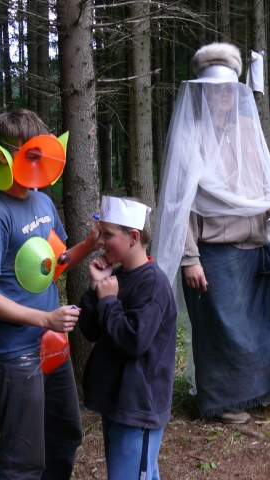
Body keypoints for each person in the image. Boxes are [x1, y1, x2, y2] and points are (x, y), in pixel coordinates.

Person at [153, 43, 270, 424]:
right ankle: (224, 401)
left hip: (255, 244)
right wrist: (189, 258)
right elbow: (179, 205)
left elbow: (262, 181)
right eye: (216, 90)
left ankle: (260, 390)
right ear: (203, 92)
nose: (223, 97)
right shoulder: (190, 134)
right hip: (213, 252)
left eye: (228, 90)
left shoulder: (247, 129)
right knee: (221, 331)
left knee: (261, 324)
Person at [0, 109, 102, 478]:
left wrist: (89, 245)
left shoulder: (41, 201)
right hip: (14, 354)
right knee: (22, 457)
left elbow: (52, 264)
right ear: (7, 155)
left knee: (64, 436)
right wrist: (45, 318)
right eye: (33, 152)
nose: (41, 159)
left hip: (50, 343)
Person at [78, 196, 177, 480]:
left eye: (108, 235)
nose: (100, 242)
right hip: (117, 400)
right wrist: (96, 289)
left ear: (133, 237)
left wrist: (109, 301)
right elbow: (91, 331)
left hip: (138, 406)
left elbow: (135, 340)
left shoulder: (153, 284)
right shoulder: (116, 277)